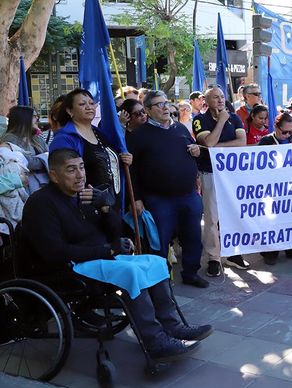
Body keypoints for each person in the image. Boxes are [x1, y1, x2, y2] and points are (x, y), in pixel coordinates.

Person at [19, 149, 212, 362]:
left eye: (81, 167)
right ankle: (155, 341)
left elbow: (116, 232)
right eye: (71, 170)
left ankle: (173, 326)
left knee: (155, 262)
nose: (80, 175)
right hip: (68, 266)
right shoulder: (42, 203)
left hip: (98, 257)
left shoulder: (84, 195)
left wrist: (104, 206)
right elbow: (54, 252)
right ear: (54, 175)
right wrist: (108, 250)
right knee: (130, 271)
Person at [127, 90, 208, 288]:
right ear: (147, 109)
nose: (165, 108)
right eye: (159, 104)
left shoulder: (180, 128)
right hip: (158, 198)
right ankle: (160, 279)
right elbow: (132, 170)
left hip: (188, 195)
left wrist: (197, 151)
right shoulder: (139, 135)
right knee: (159, 241)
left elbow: (194, 151)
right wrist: (135, 198)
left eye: (166, 103)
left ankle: (190, 272)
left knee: (193, 237)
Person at [192, 87, 248, 277]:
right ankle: (214, 257)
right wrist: (222, 121)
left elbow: (242, 141)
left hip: (232, 175)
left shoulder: (235, 117)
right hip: (210, 173)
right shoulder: (200, 119)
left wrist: (217, 148)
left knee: (232, 214)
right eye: (216, 97)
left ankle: (233, 252)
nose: (221, 100)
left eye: (222, 97)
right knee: (211, 217)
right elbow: (207, 142)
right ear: (207, 101)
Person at [49, 88, 133, 210]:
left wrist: (125, 159)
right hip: (85, 208)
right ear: (69, 111)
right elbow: (63, 176)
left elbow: (110, 162)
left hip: (111, 205)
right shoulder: (65, 139)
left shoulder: (100, 133)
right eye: (82, 104)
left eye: (91, 103)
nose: (89, 107)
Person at [258, 112, 292, 265]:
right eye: (284, 132)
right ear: (276, 127)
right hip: (272, 188)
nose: (287, 135)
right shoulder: (266, 142)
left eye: (290, 131)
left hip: (291, 186)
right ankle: (270, 252)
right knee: (272, 221)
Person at [0, 106, 48, 184]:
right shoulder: (9, 139)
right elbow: (25, 162)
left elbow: (51, 156)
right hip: (26, 186)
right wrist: (45, 159)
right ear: (24, 119)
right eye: (34, 116)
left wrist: (43, 159)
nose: (37, 119)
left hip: (44, 182)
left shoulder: (36, 138)